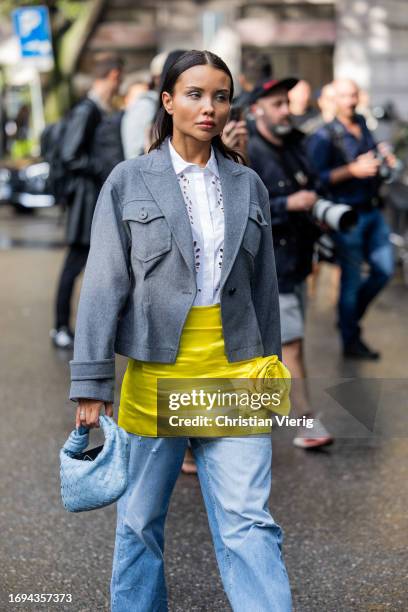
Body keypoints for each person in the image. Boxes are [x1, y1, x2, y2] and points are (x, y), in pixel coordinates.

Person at [69, 50, 292, 611]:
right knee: (140, 525)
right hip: (158, 373)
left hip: (236, 370)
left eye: (220, 95)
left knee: (250, 523)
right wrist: (91, 382)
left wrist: (273, 373)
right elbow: (101, 283)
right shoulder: (128, 181)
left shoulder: (249, 185)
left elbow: (265, 291)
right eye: (194, 94)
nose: (209, 107)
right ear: (167, 101)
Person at [247, 77, 333, 449]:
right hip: (270, 265)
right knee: (291, 344)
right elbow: (244, 208)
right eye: (276, 103)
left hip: (298, 259)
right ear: (257, 109)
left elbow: (315, 185)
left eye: (287, 102)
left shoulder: (297, 143)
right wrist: (288, 205)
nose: (285, 110)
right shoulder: (247, 150)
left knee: (272, 346)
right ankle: (305, 420)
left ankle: (252, 413)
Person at [307, 78, 396, 359]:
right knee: (352, 280)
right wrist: (351, 171)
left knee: (384, 270)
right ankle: (351, 339)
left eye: (354, 95)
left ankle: (348, 319)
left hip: (372, 210)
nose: (350, 101)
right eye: (344, 96)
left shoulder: (363, 125)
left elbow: (371, 160)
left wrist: (383, 158)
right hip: (347, 215)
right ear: (334, 100)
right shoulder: (324, 135)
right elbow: (315, 179)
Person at [50, 53, 123, 349]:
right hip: (84, 201)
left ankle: (67, 327)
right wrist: (101, 168)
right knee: (74, 264)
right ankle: (59, 327)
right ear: (114, 76)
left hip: (89, 198)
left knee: (82, 265)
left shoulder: (93, 109)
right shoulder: (88, 110)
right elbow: (70, 154)